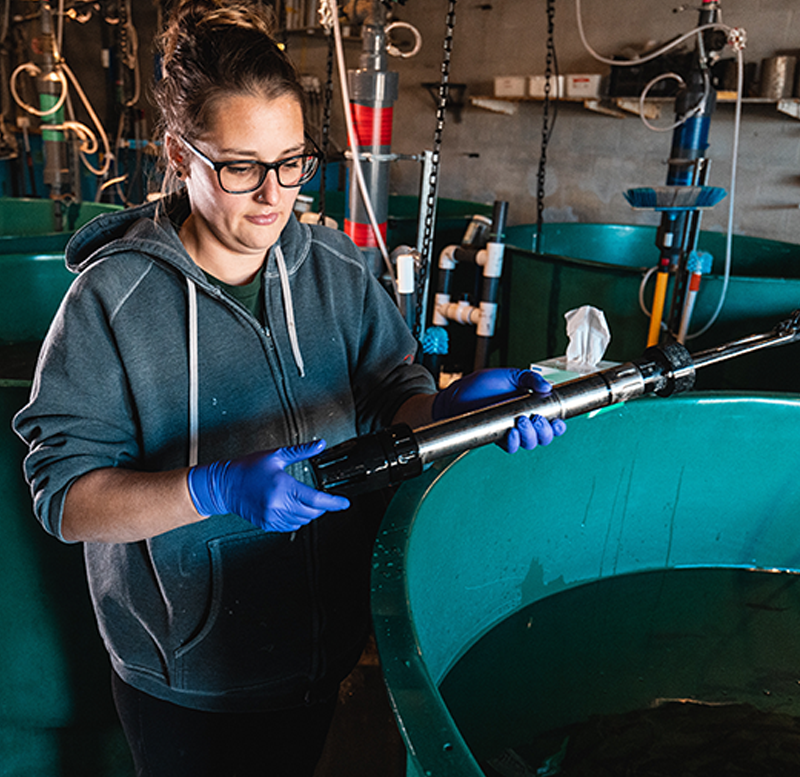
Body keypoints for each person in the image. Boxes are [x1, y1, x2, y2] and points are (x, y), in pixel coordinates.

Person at [13, 2, 565, 774]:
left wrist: (448, 407)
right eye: (240, 167)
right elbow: (66, 499)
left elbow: (387, 397)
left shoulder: (335, 271)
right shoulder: (113, 301)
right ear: (179, 155)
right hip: (186, 680)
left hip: (314, 654)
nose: (273, 195)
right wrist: (211, 489)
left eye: (293, 161)